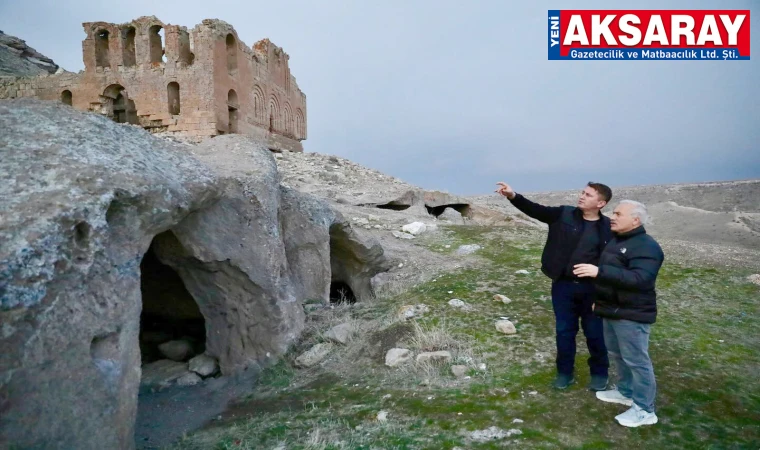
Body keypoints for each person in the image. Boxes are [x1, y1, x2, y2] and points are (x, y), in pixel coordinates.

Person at [495, 181, 612, 390]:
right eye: (582, 192)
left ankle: (599, 374)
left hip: (593, 290)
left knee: (595, 332)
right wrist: (513, 196)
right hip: (563, 286)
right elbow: (535, 210)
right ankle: (564, 373)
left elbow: (614, 259)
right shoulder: (564, 215)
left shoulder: (608, 228)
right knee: (565, 331)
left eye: (588, 195)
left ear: (601, 203)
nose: (582, 196)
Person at [572, 200, 664, 427]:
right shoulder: (618, 241)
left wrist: (598, 271)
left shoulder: (646, 246)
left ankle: (644, 410)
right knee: (617, 354)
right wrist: (599, 302)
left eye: (618, 213)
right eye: (613, 213)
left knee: (637, 361)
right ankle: (625, 392)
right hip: (611, 310)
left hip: (632, 314)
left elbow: (640, 280)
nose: (612, 216)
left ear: (635, 220)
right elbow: (611, 278)